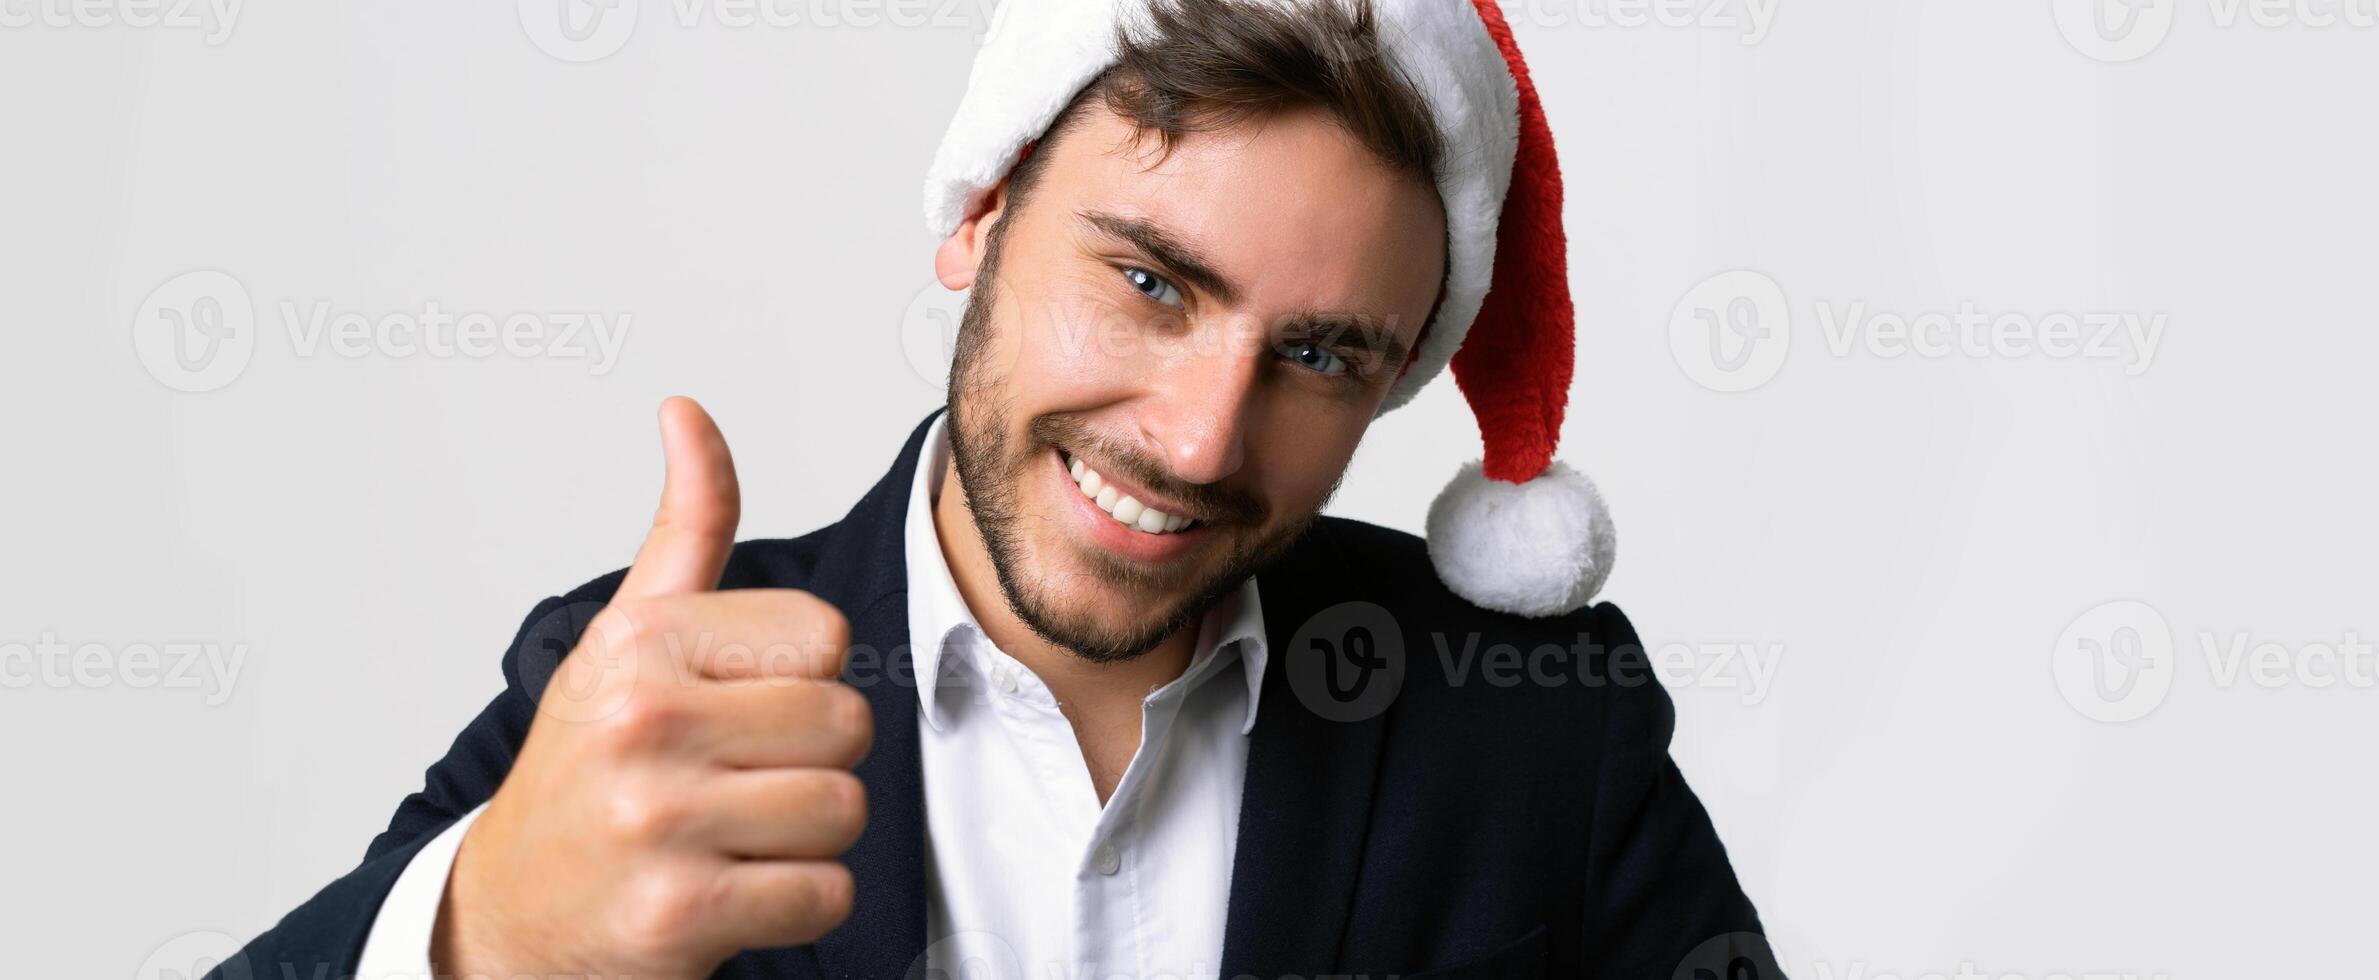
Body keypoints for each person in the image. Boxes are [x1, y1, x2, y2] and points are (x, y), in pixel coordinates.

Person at [208, 0, 1775, 977]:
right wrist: (492, 939)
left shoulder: (1533, 715)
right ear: (983, 215)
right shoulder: (640, 679)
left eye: (1318, 357)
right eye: (1152, 283)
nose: (1198, 439)